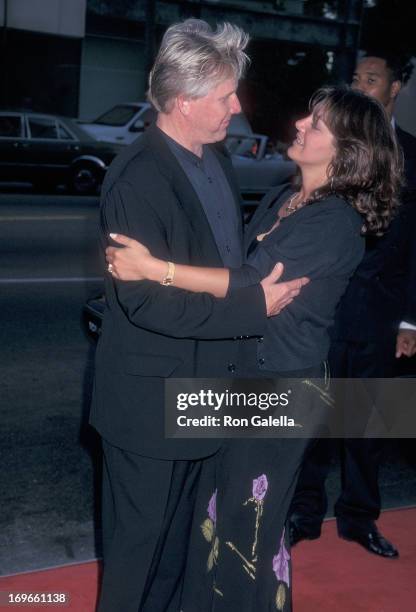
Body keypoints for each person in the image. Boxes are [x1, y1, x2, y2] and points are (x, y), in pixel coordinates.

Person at [106, 85, 402, 611]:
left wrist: (155, 270)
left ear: (346, 152)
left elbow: (247, 281)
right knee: (211, 516)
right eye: (308, 116)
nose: (300, 125)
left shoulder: (332, 222)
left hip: (279, 390)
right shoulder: (285, 199)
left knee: (246, 533)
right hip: (243, 379)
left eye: (317, 124)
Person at [90, 19, 308, 612]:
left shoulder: (216, 159)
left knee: (182, 554)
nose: (237, 107)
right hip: (149, 405)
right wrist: (252, 307)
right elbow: (145, 299)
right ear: (183, 102)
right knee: (138, 559)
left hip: (207, 395)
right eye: (224, 97)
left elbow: (219, 260)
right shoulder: (137, 177)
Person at [289, 52, 416, 559]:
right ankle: (303, 511)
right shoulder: (330, 145)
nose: (361, 85)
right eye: (356, 77)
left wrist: (411, 319)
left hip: (380, 313)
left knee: (367, 424)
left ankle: (360, 518)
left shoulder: (412, 153)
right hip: (326, 305)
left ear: (396, 89)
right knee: (313, 417)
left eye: (372, 78)